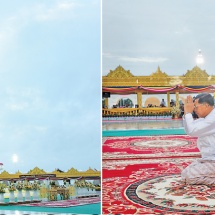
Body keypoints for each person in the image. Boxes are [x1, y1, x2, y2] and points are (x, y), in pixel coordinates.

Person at [181, 93, 215, 185]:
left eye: (196, 106)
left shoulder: (213, 119)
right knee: (185, 174)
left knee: (190, 177)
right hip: (209, 159)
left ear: (206, 106)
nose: (194, 110)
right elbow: (189, 129)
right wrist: (186, 112)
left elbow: (192, 130)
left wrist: (188, 112)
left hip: (213, 159)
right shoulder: (207, 118)